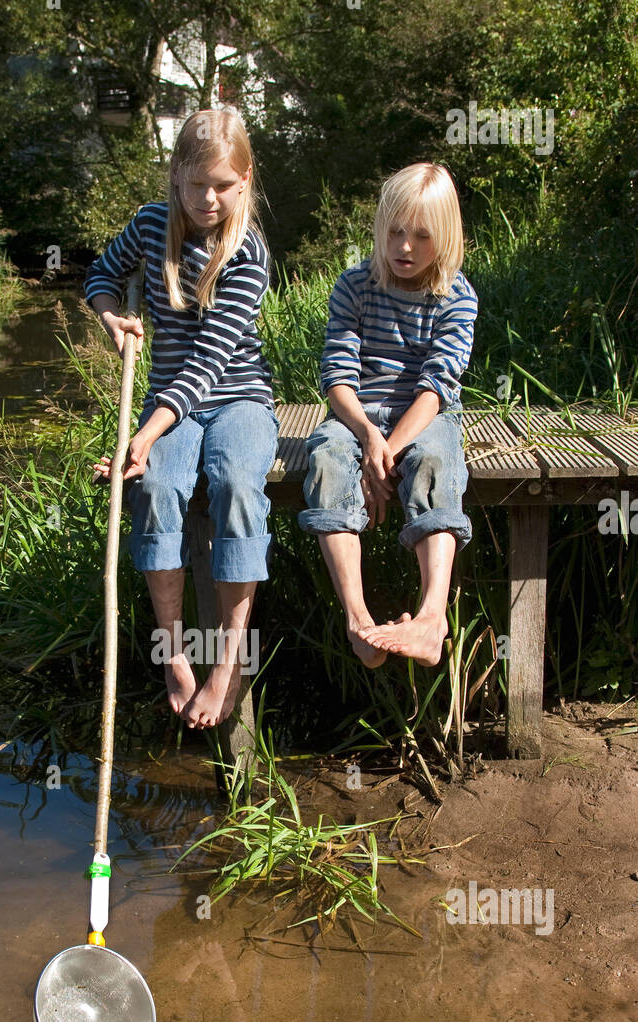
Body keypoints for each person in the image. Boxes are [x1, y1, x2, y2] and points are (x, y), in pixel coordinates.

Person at [84, 108, 278, 729]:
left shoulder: (249, 250)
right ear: (175, 177)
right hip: (170, 406)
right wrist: (112, 316)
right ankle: (173, 655)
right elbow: (100, 276)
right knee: (157, 487)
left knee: (237, 488)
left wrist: (138, 437)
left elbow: (207, 363)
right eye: (196, 185)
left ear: (245, 181)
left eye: (222, 184)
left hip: (237, 396)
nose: (208, 198)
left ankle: (228, 662)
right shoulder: (149, 224)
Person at [298, 162, 478, 668]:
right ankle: (358, 621)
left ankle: (431, 619)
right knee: (328, 458)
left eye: (421, 236)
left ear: (444, 236)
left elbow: (437, 387)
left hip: (423, 415)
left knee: (433, 465)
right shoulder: (354, 284)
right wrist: (367, 439)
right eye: (395, 231)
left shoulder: (456, 295)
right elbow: (336, 377)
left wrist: (388, 451)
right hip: (358, 412)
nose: (404, 247)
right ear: (380, 227)